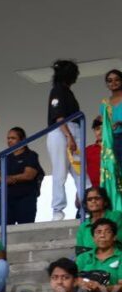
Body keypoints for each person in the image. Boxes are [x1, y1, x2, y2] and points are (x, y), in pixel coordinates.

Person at [46, 60, 85, 220]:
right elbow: (58, 116)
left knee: (81, 172)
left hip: (74, 130)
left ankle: (87, 206)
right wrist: (69, 136)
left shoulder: (67, 91)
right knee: (60, 171)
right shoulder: (57, 90)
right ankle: (58, 210)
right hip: (62, 131)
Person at [0, 127, 44, 226]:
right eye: (8, 138)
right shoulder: (4, 157)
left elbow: (29, 175)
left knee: (26, 228)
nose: (9, 141)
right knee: (4, 230)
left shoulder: (31, 155)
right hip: (5, 200)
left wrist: (10, 179)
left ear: (22, 139)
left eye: (13, 138)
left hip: (25, 199)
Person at [76, 218, 122, 292]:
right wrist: (81, 282)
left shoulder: (120, 257)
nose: (102, 235)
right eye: (98, 232)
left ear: (114, 237)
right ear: (93, 238)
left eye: (107, 232)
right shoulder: (83, 257)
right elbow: (72, 278)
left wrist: (101, 289)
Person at [75, 186, 122, 256]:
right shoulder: (83, 227)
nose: (93, 201)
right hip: (90, 264)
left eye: (97, 198)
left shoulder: (116, 216)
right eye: (89, 199)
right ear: (86, 204)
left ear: (105, 201)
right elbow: (80, 253)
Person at [100, 70, 122, 205]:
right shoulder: (104, 102)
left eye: (117, 79)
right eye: (109, 80)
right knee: (115, 171)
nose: (113, 82)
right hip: (111, 140)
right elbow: (104, 122)